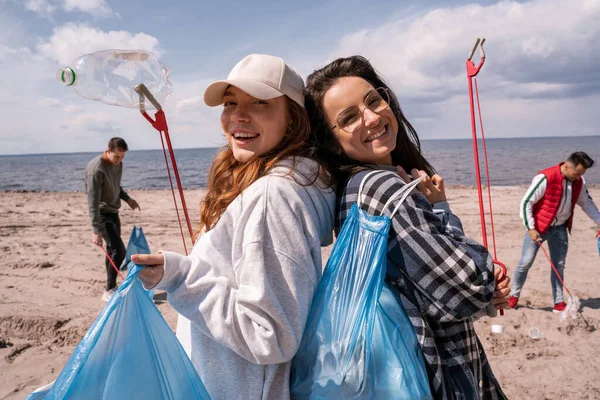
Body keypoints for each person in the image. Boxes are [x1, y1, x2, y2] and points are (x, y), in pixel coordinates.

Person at [132, 54, 336, 400]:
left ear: (293, 118)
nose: (238, 115)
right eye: (230, 102)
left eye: (259, 102)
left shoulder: (273, 195)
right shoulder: (289, 181)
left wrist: (182, 277)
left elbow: (269, 334)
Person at [305, 55, 509, 399]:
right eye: (349, 118)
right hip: (441, 371)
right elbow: (469, 285)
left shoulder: (355, 187)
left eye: (374, 100)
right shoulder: (381, 188)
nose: (372, 117)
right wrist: (442, 210)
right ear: (330, 141)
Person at [508, 151, 600, 312]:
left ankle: (558, 302)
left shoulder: (579, 182)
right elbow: (526, 203)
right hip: (539, 228)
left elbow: (586, 203)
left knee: (559, 265)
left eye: (581, 174)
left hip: (561, 228)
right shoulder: (545, 177)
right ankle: (514, 296)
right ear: (566, 165)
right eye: (577, 173)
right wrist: (530, 228)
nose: (578, 177)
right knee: (525, 263)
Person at [85, 137, 140, 302]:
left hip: (113, 211)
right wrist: (96, 231)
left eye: (122, 157)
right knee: (119, 251)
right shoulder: (95, 170)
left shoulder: (118, 163)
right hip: (102, 214)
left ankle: (111, 286)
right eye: (116, 157)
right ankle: (108, 289)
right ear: (108, 151)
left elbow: (116, 186)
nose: (119, 161)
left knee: (112, 251)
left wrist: (127, 199)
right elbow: (92, 201)